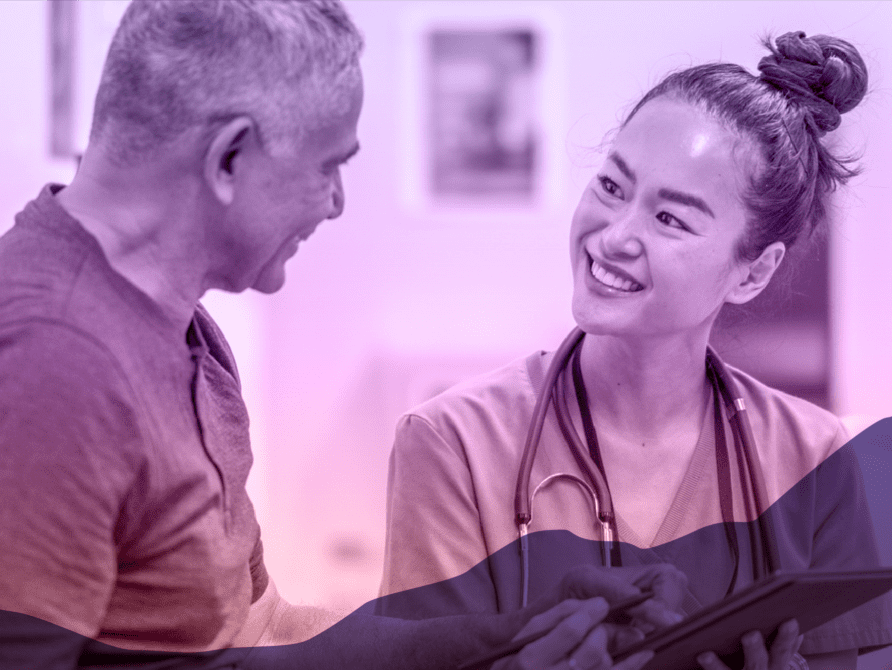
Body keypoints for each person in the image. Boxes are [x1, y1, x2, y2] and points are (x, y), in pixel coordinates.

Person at [0, 1, 688, 668]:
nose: (335, 202)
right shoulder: (56, 363)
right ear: (230, 157)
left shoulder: (184, 332)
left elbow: (262, 635)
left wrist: (517, 635)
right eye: (329, 165)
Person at [379, 31, 892, 670]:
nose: (615, 235)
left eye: (671, 219)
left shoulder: (814, 460)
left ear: (752, 272)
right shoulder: (453, 442)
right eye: (613, 187)